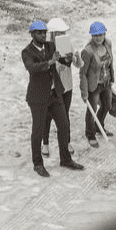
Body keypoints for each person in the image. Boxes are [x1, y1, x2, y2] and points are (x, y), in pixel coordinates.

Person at [22, 20, 85, 177]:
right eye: (39, 32)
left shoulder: (51, 45)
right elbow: (32, 68)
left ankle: (65, 159)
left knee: (63, 125)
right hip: (38, 97)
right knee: (37, 131)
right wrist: (50, 61)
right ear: (32, 34)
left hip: (55, 93)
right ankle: (37, 164)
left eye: (44, 32)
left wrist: (68, 59)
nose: (43, 35)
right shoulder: (27, 52)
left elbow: (62, 60)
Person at [39, 18, 78, 157]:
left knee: (65, 116)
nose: (60, 35)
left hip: (66, 87)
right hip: (51, 89)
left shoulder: (68, 46)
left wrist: (74, 58)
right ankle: (45, 144)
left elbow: (79, 64)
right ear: (51, 34)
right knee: (47, 117)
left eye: (62, 32)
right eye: (57, 33)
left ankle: (66, 142)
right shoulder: (45, 49)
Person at [78, 21, 115, 147]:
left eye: (100, 35)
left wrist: (112, 78)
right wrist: (84, 92)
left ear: (104, 34)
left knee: (107, 105)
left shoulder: (108, 44)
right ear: (91, 36)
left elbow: (110, 64)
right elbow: (82, 73)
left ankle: (99, 126)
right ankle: (90, 133)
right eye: (95, 35)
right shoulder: (87, 51)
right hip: (94, 86)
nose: (98, 38)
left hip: (106, 82)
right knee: (92, 109)